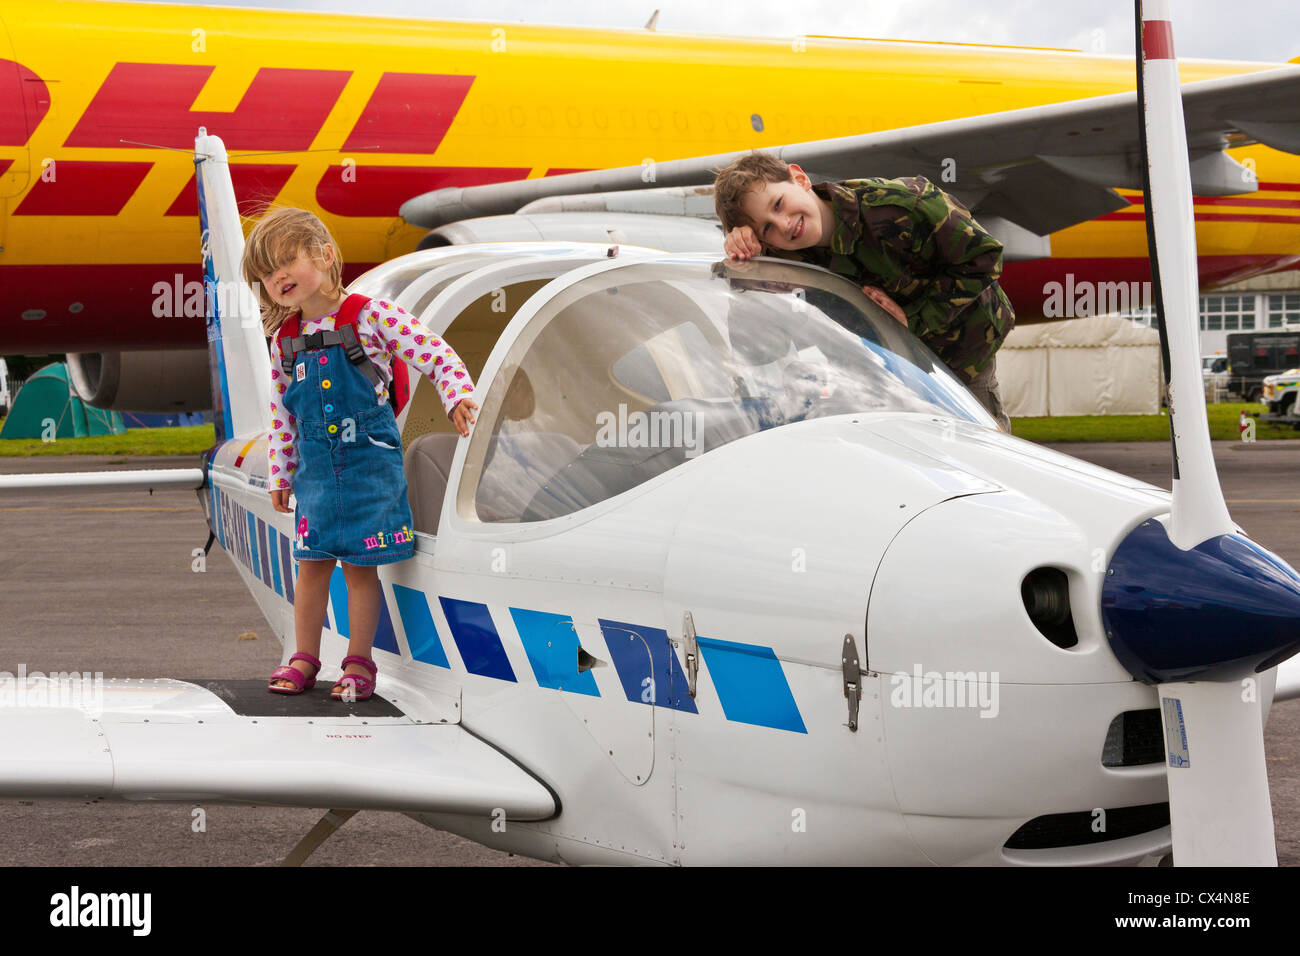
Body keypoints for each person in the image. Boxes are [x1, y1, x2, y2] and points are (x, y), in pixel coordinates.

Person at [241, 207, 478, 700]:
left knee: (359, 570)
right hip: (317, 474)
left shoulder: (372, 316)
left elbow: (433, 352)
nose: (277, 276)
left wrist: (457, 394)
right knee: (310, 566)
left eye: (287, 261)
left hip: (370, 465)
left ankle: (358, 662)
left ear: (325, 256)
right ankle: (304, 657)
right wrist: (281, 474)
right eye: (266, 272)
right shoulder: (284, 342)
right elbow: (282, 414)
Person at [714, 152, 1015, 430]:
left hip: (960, 357)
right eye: (766, 229)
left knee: (983, 452)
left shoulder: (903, 203)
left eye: (778, 204)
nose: (783, 224)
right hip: (879, 378)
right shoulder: (783, 259)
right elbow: (759, 352)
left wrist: (913, 321)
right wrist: (748, 266)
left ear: (800, 178)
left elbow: (983, 257)